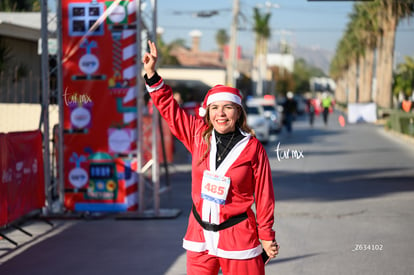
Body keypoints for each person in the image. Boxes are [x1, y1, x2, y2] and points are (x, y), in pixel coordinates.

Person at [142, 40, 278, 275]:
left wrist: (266, 236)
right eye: (215, 108)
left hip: (238, 237)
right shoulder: (197, 134)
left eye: (228, 108)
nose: (221, 114)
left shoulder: (252, 148)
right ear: (208, 111)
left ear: (238, 112)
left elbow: (264, 196)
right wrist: (152, 74)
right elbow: (169, 109)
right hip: (200, 236)